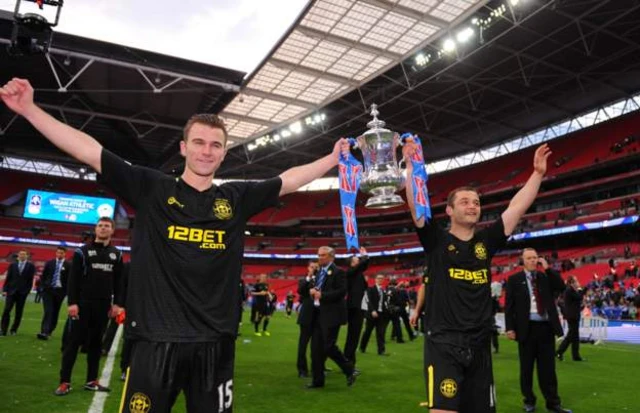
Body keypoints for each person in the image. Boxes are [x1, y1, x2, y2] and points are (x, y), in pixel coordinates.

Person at [1, 77, 350, 412]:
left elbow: (287, 180)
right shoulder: (152, 188)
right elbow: (92, 151)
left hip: (215, 345)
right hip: (155, 341)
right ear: (184, 147)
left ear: (224, 152)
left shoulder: (237, 197)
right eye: (198, 142)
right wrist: (30, 110)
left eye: (215, 144)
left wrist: (332, 159)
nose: (206, 151)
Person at [404, 137, 552, 413]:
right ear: (449, 210)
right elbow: (416, 207)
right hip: (444, 344)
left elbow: (516, 208)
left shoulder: (486, 242)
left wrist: (537, 174)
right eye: (464, 202)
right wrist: (412, 167)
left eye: (475, 202)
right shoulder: (435, 239)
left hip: (480, 345)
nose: (472, 206)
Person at [55, 217, 124, 396]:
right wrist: (72, 303)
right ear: (95, 229)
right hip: (82, 305)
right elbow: (73, 280)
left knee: (95, 345)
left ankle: (91, 381)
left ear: (112, 230)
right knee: (73, 343)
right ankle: (65, 382)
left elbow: (119, 282)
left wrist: (117, 304)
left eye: (107, 226)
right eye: (100, 226)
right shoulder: (82, 252)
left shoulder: (117, 254)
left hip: (103, 306)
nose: (103, 228)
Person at [505, 249, 571, 413]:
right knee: (526, 369)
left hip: (546, 328)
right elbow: (509, 306)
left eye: (535, 258)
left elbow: (561, 286)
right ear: (523, 260)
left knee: (548, 369)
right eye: (529, 258)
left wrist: (548, 268)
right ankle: (529, 401)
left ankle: (553, 403)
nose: (533, 261)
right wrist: (510, 328)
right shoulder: (514, 279)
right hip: (526, 329)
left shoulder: (544, 277)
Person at [307, 246, 356, 388]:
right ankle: (318, 381)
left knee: (328, 347)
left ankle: (348, 368)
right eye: (318, 255)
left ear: (331, 257)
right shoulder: (319, 272)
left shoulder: (339, 272)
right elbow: (318, 289)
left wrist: (322, 295)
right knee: (315, 349)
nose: (320, 257)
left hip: (332, 314)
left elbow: (342, 291)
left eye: (323, 255)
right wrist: (313, 291)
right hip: (317, 314)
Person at [343, 246, 368, 369]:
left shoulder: (357, 273)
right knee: (353, 335)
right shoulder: (350, 272)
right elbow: (361, 266)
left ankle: (349, 360)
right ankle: (348, 360)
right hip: (354, 307)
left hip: (359, 307)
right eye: (357, 259)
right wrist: (364, 256)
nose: (359, 260)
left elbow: (363, 266)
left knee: (354, 336)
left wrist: (364, 257)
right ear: (352, 263)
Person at [38, 246, 70, 340]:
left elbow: (69, 280)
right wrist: (42, 287)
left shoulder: (69, 265)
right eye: (58, 252)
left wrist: (67, 291)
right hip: (48, 291)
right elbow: (43, 276)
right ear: (56, 253)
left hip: (60, 292)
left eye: (61, 253)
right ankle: (44, 331)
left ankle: (50, 330)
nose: (59, 254)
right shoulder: (49, 263)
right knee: (48, 311)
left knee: (55, 312)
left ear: (65, 254)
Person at [1, 249, 36, 336]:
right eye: (20, 254)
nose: (22, 256)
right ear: (18, 256)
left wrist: (27, 291)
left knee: (18, 312)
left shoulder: (31, 266)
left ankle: (14, 329)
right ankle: (3, 330)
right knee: (7, 310)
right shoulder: (13, 265)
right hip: (11, 291)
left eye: (24, 254)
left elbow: (30, 280)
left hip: (22, 293)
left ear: (27, 256)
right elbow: (8, 278)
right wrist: (5, 290)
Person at [556, 275, 586, 362]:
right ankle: (559, 352)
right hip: (572, 316)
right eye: (576, 281)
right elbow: (579, 297)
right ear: (572, 283)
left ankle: (575, 356)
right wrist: (581, 290)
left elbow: (573, 304)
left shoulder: (571, 291)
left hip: (573, 315)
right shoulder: (569, 290)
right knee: (571, 336)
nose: (578, 282)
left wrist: (581, 307)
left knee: (575, 337)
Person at [296, 261, 318, 378]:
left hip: (319, 316)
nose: (314, 269)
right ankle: (302, 369)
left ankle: (317, 368)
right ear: (308, 268)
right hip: (306, 316)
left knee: (317, 345)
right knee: (303, 344)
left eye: (316, 267)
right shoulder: (304, 281)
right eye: (312, 267)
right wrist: (309, 277)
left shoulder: (322, 280)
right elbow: (300, 290)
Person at [359, 274, 389, 356]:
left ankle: (381, 351)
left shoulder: (383, 291)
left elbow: (384, 303)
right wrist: (372, 310)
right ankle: (362, 347)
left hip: (381, 314)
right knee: (368, 332)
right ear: (375, 279)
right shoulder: (370, 289)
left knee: (381, 333)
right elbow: (368, 300)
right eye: (379, 278)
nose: (380, 280)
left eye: (382, 278)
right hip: (372, 314)